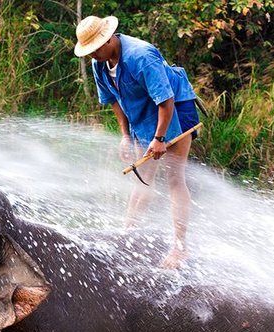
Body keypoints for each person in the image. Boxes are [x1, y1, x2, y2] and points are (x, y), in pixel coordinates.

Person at [74, 15, 199, 269]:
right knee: (142, 178)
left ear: (108, 39)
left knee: (175, 178)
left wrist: (160, 138)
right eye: (88, 52)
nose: (92, 55)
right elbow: (114, 102)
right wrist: (125, 137)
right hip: (143, 115)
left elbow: (166, 100)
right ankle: (127, 235)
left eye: (95, 49)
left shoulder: (142, 56)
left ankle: (180, 248)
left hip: (174, 109)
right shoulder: (99, 64)